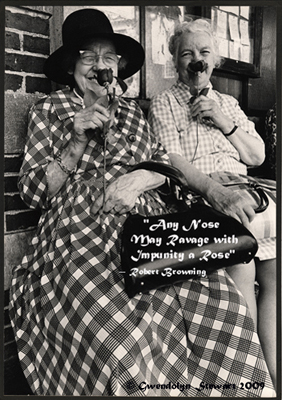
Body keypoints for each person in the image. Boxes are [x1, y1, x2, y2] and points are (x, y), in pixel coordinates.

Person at [9, 9, 275, 396]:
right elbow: (35, 194)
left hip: (148, 223)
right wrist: (76, 143)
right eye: (88, 56)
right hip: (80, 226)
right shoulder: (49, 110)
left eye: (108, 57)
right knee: (119, 337)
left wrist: (142, 177)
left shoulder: (133, 112)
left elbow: (166, 164)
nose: (100, 66)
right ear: (71, 67)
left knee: (222, 311)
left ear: (118, 67)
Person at [148, 18, 276, 389]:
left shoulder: (229, 104)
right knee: (246, 260)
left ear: (214, 60)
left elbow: (256, 155)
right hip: (203, 196)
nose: (196, 60)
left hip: (247, 186)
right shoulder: (165, 102)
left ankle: (274, 376)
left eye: (204, 52)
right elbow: (171, 160)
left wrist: (224, 122)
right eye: (187, 53)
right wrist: (213, 191)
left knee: (276, 274)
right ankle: (251, 382)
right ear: (175, 61)